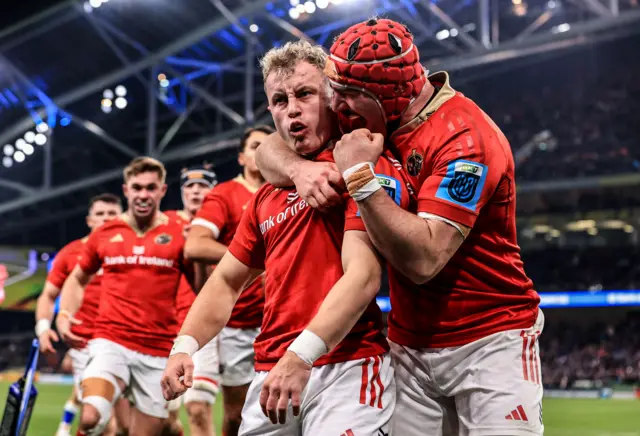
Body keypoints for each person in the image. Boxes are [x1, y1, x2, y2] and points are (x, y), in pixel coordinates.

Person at [254, 20, 544, 436]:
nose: (339, 106)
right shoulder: (370, 120)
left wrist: (359, 176)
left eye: (349, 96)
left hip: (490, 339)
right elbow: (268, 148)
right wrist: (299, 170)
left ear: (385, 95)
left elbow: (424, 260)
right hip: (408, 347)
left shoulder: (465, 138)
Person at [162, 40, 411, 435]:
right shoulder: (266, 197)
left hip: (344, 366)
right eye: (279, 100)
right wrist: (185, 346)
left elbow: (363, 276)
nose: (292, 108)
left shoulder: (360, 167)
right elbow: (226, 281)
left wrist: (301, 356)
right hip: (271, 372)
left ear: (332, 98)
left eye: (304, 94)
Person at [56, 156, 200, 436]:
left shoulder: (180, 232)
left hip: (158, 350)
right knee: (90, 416)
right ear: (126, 190)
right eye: (137, 187)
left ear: (162, 190)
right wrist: (63, 315)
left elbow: (201, 288)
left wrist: (198, 251)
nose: (143, 194)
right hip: (111, 342)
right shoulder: (106, 233)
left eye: (150, 188)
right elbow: (77, 279)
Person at [183, 126, 272, 436]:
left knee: (283, 411)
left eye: (269, 145)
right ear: (241, 156)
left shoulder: (288, 189)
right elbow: (195, 245)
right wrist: (257, 264)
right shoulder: (225, 194)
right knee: (236, 416)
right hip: (238, 323)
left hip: (282, 318)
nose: (262, 152)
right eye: (255, 146)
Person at [34, 193, 128, 436]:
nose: (106, 219)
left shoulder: (135, 251)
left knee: (131, 426)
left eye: (112, 214)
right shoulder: (71, 253)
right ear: (89, 220)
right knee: (100, 423)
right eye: (100, 214)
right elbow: (47, 296)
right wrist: (44, 329)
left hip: (130, 342)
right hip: (85, 347)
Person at [165, 164, 220, 436]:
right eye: (189, 185)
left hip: (205, 327)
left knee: (198, 408)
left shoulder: (222, 225)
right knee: (164, 420)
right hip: (163, 328)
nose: (196, 190)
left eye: (203, 185)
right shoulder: (164, 224)